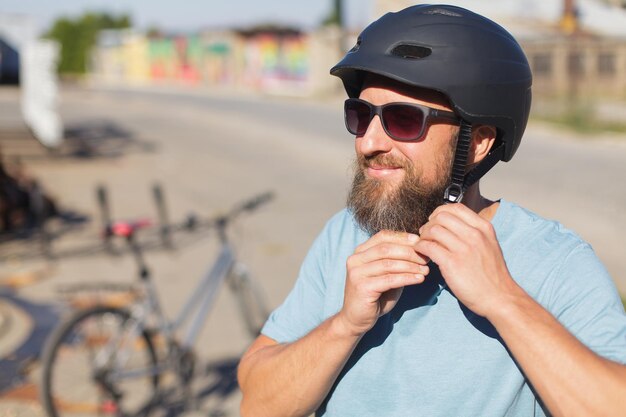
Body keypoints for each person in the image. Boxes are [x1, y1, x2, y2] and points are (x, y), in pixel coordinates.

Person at [237, 5, 626, 417]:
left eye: (403, 120)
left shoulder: (553, 262)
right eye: (361, 115)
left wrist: (503, 299)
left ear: (478, 142)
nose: (369, 143)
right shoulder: (345, 235)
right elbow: (258, 403)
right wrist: (345, 325)